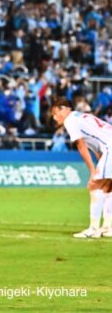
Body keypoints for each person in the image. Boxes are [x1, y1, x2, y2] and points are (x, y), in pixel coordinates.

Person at [51, 98, 112, 238]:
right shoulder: (82, 117)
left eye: (55, 113)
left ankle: (93, 229)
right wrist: (101, 165)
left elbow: (80, 145)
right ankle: (108, 227)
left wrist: (92, 171)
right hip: (109, 146)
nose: (55, 118)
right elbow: (97, 144)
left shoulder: (70, 120)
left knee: (95, 186)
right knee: (108, 186)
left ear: (64, 108)